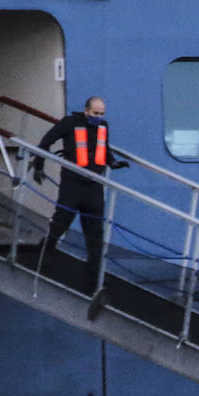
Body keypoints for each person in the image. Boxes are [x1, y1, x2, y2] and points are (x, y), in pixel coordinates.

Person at [33, 96, 130, 308]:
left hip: (94, 186)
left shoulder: (103, 126)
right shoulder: (69, 123)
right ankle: (45, 254)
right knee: (61, 222)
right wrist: (38, 164)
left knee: (95, 234)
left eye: (102, 114)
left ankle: (94, 277)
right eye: (95, 113)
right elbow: (47, 140)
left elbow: (103, 149)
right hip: (73, 183)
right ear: (86, 111)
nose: (99, 117)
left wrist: (113, 163)